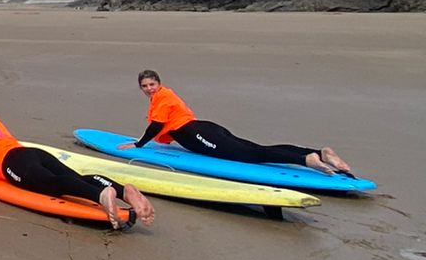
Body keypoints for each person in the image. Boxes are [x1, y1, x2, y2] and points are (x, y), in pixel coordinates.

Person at [0, 93, 154, 230]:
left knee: (53, 184)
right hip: (30, 152)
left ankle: (99, 195)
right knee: (72, 177)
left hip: (11, 163)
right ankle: (122, 190)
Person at [130, 70, 354, 175]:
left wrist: (138, 145)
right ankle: (320, 153)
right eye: (145, 86)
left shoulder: (163, 98)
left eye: (152, 84)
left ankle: (306, 160)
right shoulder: (162, 96)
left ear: (159, 83)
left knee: (250, 155)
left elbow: (157, 126)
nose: (149, 88)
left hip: (198, 134)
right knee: (255, 149)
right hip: (206, 129)